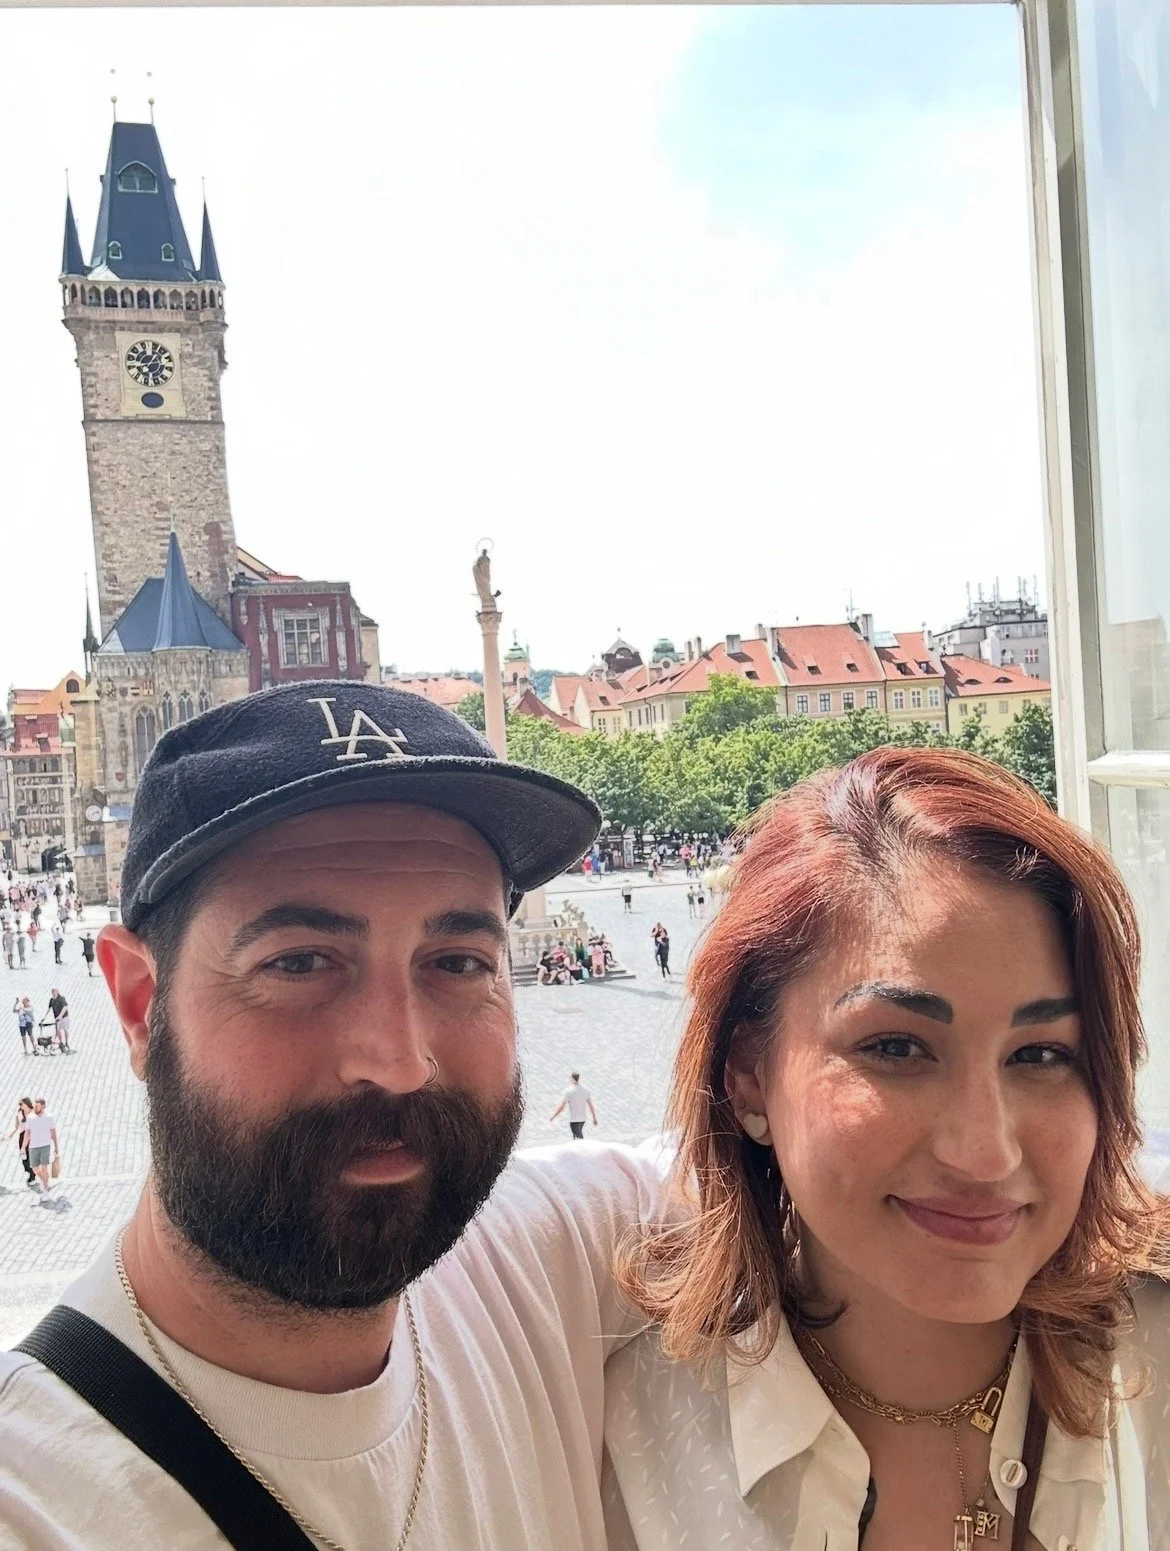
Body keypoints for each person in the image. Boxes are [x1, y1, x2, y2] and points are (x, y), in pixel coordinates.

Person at [0, 679, 664, 1549]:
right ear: (139, 1004)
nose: (397, 1059)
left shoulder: (550, 1259)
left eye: (458, 963)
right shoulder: (34, 1504)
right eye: (301, 961)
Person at [604, 747, 1170, 1549]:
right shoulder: (621, 1443)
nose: (985, 1151)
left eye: (1041, 1054)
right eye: (898, 1049)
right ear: (747, 1080)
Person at [19, 1098, 59, 1195]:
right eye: (35, 1105)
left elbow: (53, 1132)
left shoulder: (49, 1117)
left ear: (43, 1106)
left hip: (45, 1145)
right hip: (33, 1146)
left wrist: (56, 1147)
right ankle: (45, 1181)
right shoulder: (30, 1118)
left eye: (38, 1106)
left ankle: (45, 1188)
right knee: (35, 1168)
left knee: (44, 1167)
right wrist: (23, 1147)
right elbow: (27, 1134)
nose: (36, 1107)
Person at [550, 1073, 598, 1140]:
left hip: (574, 1120)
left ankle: (583, 1149)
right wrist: (594, 1118)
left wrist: (554, 1116)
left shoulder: (569, 1091)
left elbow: (562, 1106)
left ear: (572, 1079)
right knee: (578, 1138)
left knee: (578, 1139)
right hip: (583, 1119)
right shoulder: (585, 1090)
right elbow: (591, 1106)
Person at [6, 1098, 35, 1187]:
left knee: (32, 1155)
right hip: (23, 1136)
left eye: (21, 1104)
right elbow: (16, 1127)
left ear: (27, 1104)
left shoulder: (33, 1113)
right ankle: (30, 1170)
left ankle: (32, 1174)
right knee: (24, 1156)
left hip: (33, 1135)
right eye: (19, 1104)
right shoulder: (19, 1114)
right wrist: (9, 1135)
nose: (20, 1106)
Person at [46, 988, 71, 1053]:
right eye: (52, 992)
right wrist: (45, 1017)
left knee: (65, 1029)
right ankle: (61, 1043)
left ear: (57, 992)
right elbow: (49, 1008)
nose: (53, 993)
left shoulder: (61, 999)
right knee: (57, 1030)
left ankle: (66, 1042)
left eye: (54, 992)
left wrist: (60, 1016)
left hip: (64, 1017)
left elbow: (65, 1007)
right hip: (57, 1018)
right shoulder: (52, 1000)